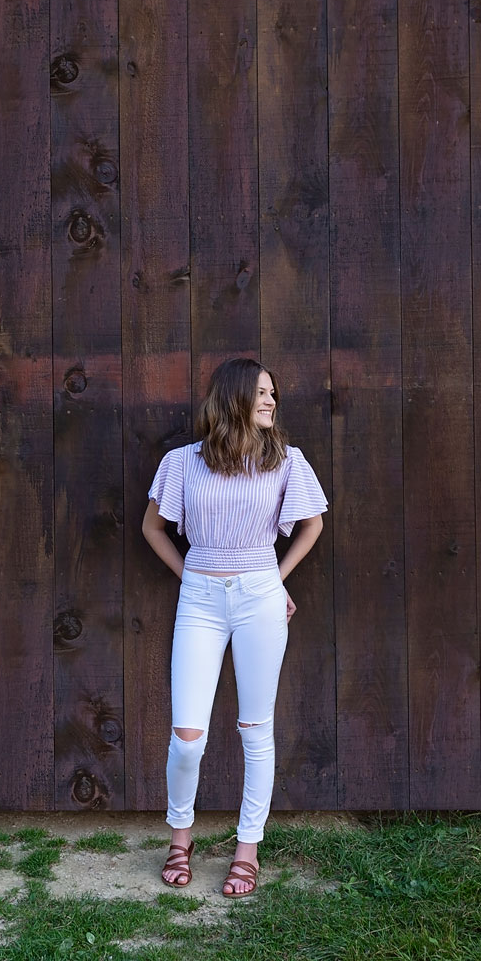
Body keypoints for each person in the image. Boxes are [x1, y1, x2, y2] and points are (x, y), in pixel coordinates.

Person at [142, 357, 327, 897]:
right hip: (199, 599)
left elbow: (311, 525)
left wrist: (276, 580)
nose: (271, 401)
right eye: (262, 392)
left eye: (274, 392)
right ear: (233, 398)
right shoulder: (183, 463)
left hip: (260, 599)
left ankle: (248, 849)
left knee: (255, 730)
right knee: (187, 738)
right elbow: (153, 527)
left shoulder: (287, 462)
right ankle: (181, 837)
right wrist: (189, 576)